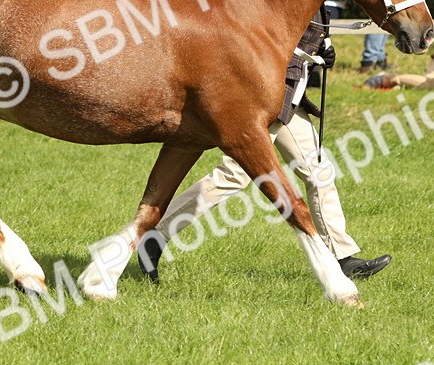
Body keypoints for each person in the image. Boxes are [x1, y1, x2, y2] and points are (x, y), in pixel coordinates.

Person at [137, 16, 391, 283]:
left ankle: (342, 258)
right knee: (235, 174)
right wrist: (308, 52)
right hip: (263, 97)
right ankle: (155, 234)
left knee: (318, 171)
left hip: (290, 96)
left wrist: (320, 45)